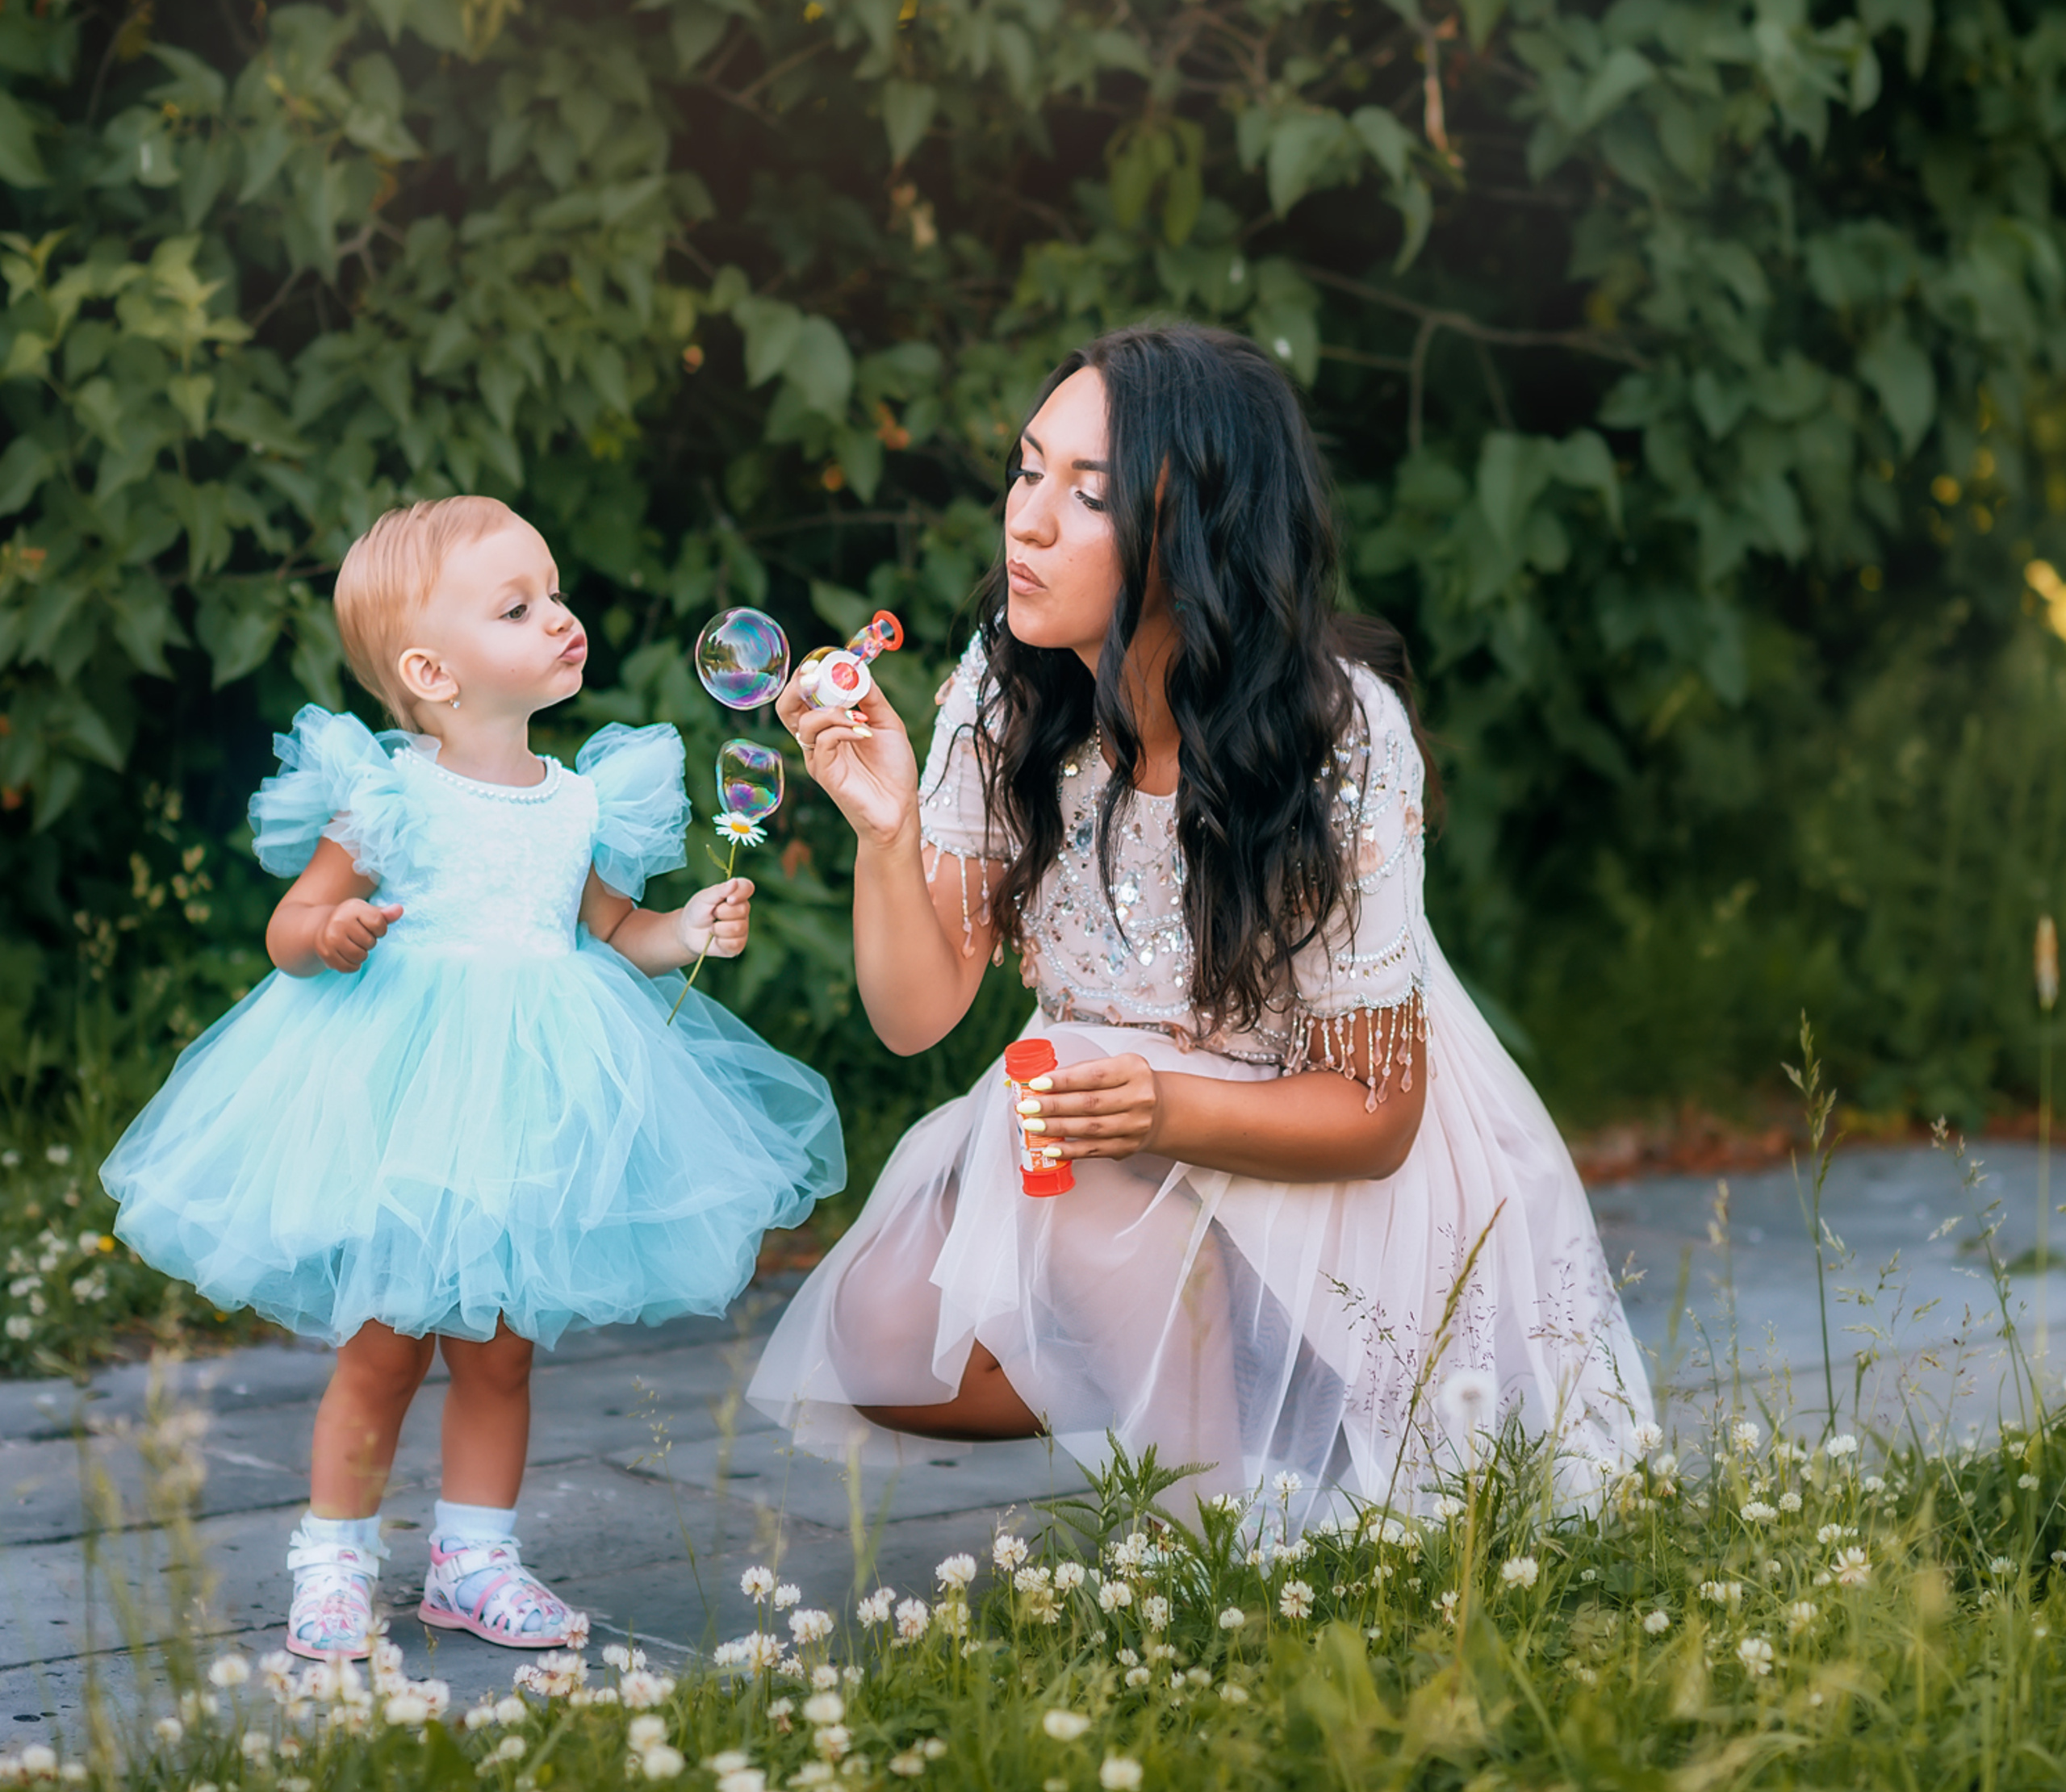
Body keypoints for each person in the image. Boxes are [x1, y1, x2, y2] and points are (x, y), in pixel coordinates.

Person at [747, 324, 1650, 1528]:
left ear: (1197, 533)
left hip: (1326, 1179)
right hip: (1125, 1141)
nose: (1026, 521)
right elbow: (917, 1018)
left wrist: (1160, 1111)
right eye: (1026, 472)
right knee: (883, 1333)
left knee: (1061, 1129)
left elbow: (1377, 1118)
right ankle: (1204, 1371)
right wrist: (888, 832)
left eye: (1089, 495)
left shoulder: (1337, 734)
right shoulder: (1003, 692)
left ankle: (1223, 1538)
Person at [102, 498, 843, 1659]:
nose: (560, 617)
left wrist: (688, 921)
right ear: (432, 671)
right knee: (387, 1339)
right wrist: (333, 930)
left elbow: (610, 931)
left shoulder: (580, 800)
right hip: (410, 1094)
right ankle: (335, 1559)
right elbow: (288, 928)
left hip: (532, 1102)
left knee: (501, 1346)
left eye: (553, 592)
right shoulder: (394, 793)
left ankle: (476, 1559)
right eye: (519, 606)